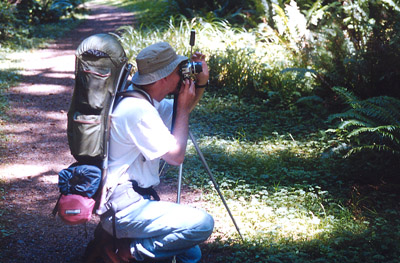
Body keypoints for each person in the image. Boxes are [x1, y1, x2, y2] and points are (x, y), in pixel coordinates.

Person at [95, 42, 214, 263]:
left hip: (130, 200)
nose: (181, 75)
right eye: (178, 70)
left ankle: (127, 245)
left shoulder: (141, 98)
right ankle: (126, 252)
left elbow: (182, 110)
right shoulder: (138, 111)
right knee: (202, 224)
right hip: (124, 209)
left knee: (190, 252)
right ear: (163, 77)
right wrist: (183, 104)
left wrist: (201, 83)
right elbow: (176, 157)